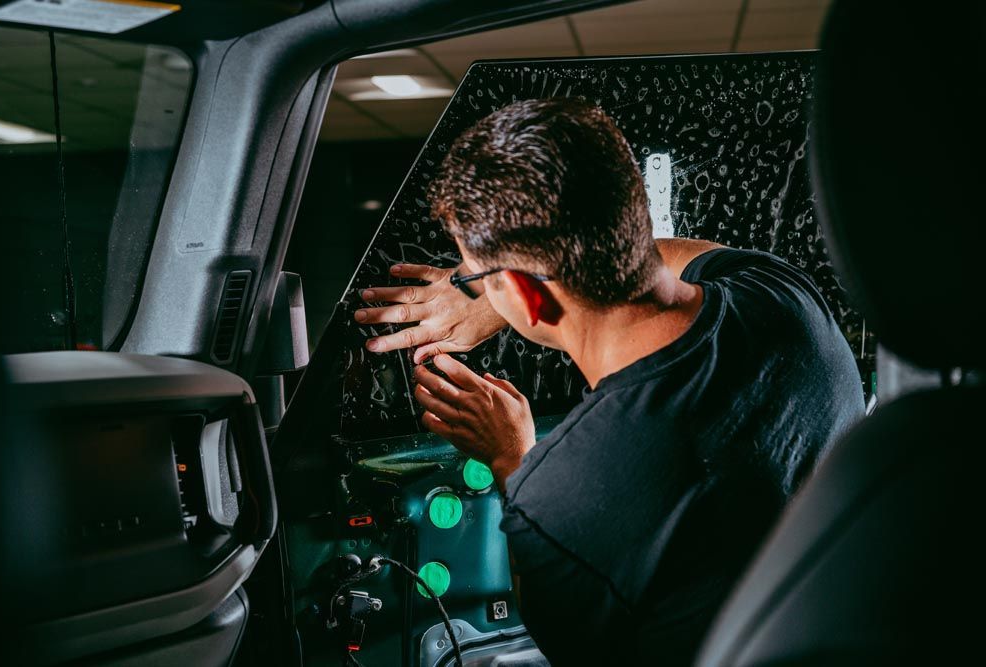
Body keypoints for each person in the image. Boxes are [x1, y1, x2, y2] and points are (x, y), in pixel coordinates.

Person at [353, 98, 864, 665]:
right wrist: (499, 296)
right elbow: (679, 259)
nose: (471, 286)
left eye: (473, 276)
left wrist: (512, 461)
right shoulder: (782, 300)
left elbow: (562, 636)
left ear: (525, 294)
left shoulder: (559, 495)